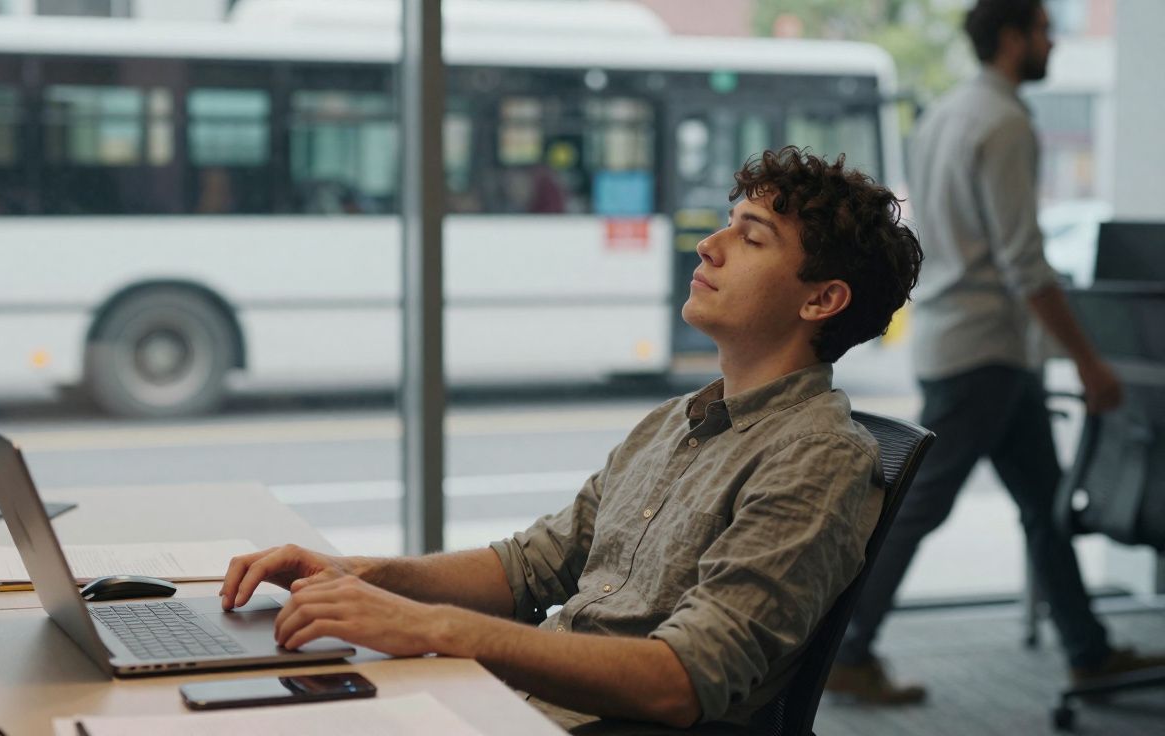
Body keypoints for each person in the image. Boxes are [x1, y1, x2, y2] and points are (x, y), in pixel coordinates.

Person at [221, 146, 923, 730]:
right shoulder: (675, 421)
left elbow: (685, 679)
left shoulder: (818, 458)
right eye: (726, 225)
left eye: (751, 236)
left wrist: (430, 628)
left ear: (821, 299)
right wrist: (353, 577)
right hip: (515, 707)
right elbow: (531, 566)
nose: (709, 245)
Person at [826, 0, 1164, 705]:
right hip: (986, 351)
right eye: (1043, 30)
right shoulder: (1005, 122)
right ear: (1012, 38)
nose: (1053, 43)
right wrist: (1090, 362)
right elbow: (1023, 262)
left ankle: (1088, 650)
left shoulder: (945, 115)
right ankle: (846, 651)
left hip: (970, 341)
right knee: (917, 506)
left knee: (1043, 501)